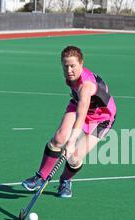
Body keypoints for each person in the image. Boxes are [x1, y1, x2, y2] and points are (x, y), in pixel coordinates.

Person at [22, 46, 117, 198]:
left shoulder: (86, 86)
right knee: (59, 138)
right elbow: (79, 106)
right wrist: (67, 139)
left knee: (74, 157)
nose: (69, 70)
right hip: (78, 103)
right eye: (65, 66)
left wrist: (72, 141)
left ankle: (66, 180)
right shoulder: (71, 78)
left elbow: (82, 113)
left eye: (73, 66)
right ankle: (40, 177)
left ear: (81, 63)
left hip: (102, 118)